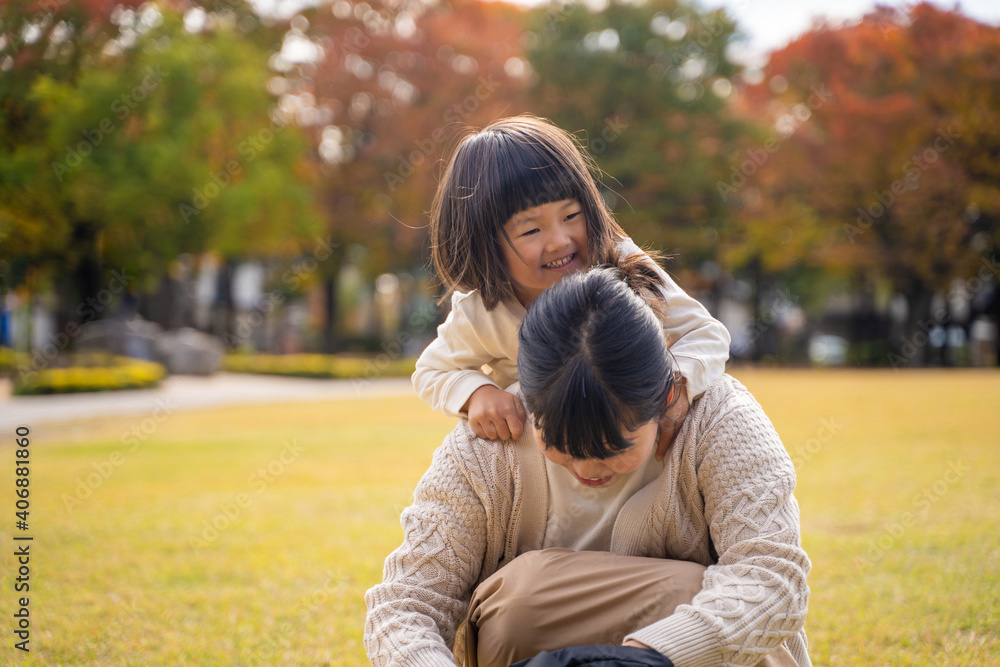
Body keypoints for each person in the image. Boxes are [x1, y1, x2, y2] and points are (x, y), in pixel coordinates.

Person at [365, 259, 811, 667]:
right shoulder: (488, 447)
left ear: (669, 399)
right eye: (561, 444)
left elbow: (772, 577)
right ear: (527, 400)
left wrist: (647, 656)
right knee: (517, 600)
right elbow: (406, 605)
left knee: (693, 592)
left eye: (615, 447)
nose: (588, 470)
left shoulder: (721, 421)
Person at [413, 114, 730, 444]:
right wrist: (477, 392)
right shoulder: (484, 312)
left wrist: (678, 386)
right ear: (484, 244)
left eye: (571, 216)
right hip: (552, 466)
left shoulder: (623, 264)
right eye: (531, 230)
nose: (560, 241)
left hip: (638, 448)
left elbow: (706, 333)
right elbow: (431, 372)